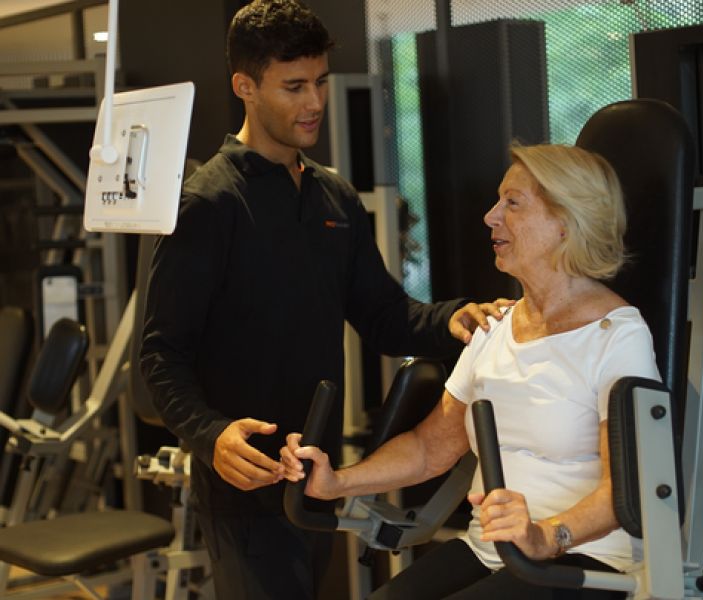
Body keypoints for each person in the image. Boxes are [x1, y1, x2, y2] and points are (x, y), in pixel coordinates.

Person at [139, 1, 508, 599]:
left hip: (317, 474)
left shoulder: (333, 196)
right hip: (246, 484)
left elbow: (387, 318)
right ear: (245, 87)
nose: (314, 102)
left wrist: (453, 319)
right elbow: (160, 356)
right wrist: (210, 435)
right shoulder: (209, 205)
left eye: (319, 83)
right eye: (293, 87)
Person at [282, 143, 661, 600]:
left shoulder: (616, 336)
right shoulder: (495, 325)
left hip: (589, 560)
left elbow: (626, 488)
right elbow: (429, 449)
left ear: (565, 223)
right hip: (490, 549)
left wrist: (547, 536)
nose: (490, 216)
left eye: (513, 203)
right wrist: (337, 481)